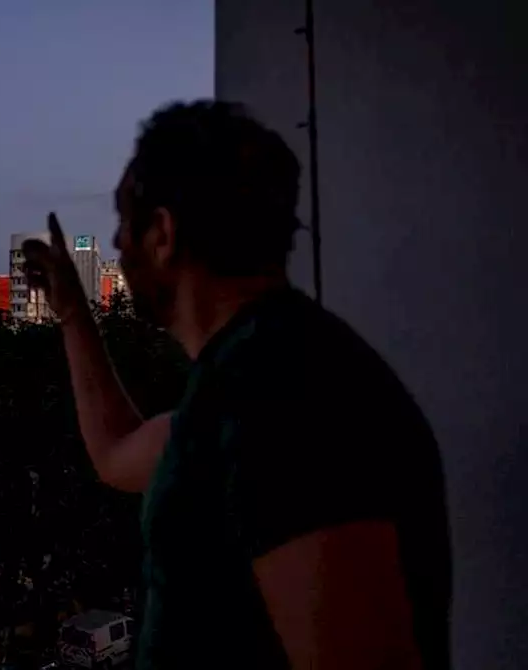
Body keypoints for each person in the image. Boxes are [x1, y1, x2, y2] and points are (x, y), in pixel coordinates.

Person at [22, 100, 450, 670]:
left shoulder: (287, 391)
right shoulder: (244, 383)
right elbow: (116, 452)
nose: (119, 248)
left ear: (163, 233)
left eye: (124, 224)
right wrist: (73, 313)